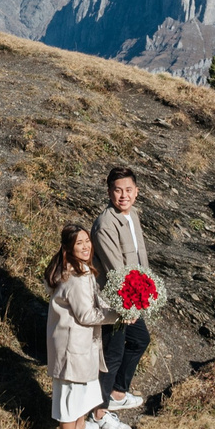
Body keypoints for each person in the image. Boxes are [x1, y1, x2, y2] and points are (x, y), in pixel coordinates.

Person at [44, 223, 112, 429]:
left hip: (70, 343)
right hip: (73, 346)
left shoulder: (71, 269)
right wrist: (116, 315)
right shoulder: (77, 277)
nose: (85, 246)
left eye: (87, 241)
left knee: (82, 389)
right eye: (79, 243)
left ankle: (81, 428)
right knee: (69, 400)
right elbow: (86, 314)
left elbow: (92, 301)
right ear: (68, 248)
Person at [93, 166, 151, 414]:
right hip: (115, 300)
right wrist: (130, 304)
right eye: (118, 191)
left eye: (128, 190)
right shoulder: (105, 224)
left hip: (134, 297)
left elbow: (139, 258)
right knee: (112, 354)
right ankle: (99, 411)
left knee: (139, 340)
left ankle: (117, 393)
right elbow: (116, 271)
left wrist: (145, 292)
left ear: (136, 192)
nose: (123, 195)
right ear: (109, 192)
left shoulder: (132, 215)